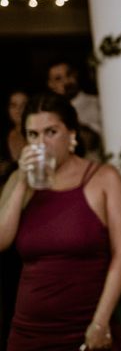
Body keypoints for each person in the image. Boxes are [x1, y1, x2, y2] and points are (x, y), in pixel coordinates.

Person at [0, 92, 121, 350]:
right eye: (33, 135)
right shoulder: (21, 179)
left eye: (50, 132)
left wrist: (100, 322)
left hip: (86, 327)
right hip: (28, 331)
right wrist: (20, 183)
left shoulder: (104, 178)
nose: (41, 143)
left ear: (72, 134)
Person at [0, 90, 27, 351]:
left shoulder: (43, 141)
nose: (18, 110)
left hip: (35, 220)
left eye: (24, 105)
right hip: (6, 216)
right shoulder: (2, 141)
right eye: (13, 105)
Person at [47, 59, 104, 162]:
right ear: (51, 85)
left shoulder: (96, 103)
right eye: (58, 79)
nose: (66, 81)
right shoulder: (49, 112)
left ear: (76, 74)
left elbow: (91, 142)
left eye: (69, 74)